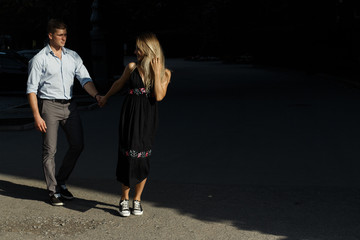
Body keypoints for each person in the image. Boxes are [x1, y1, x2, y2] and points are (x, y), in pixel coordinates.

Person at [27, 19, 101, 206]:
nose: (63, 38)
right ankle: (52, 191)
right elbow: (32, 89)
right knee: (50, 150)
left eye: (65, 35)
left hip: (70, 106)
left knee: (78, 145)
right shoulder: (39, 59)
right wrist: (36, 115)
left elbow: (84, 79)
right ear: (50, 36)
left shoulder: (73, 56)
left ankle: (61, 180)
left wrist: (97, 96)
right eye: (60, 35)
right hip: (49, 106)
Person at [98, 32, 171, 217]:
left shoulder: (165, 73)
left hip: (148, 118)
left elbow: (159, 96)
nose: (135, 51)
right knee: (128, 156)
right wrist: (105, 97)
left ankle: (137, 200)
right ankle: (124, 198)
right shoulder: (131, 67)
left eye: (138, 48)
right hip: (130, 115)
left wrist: (155, 73)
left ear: (148, 50)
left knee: (143, 157)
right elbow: (119, 83)